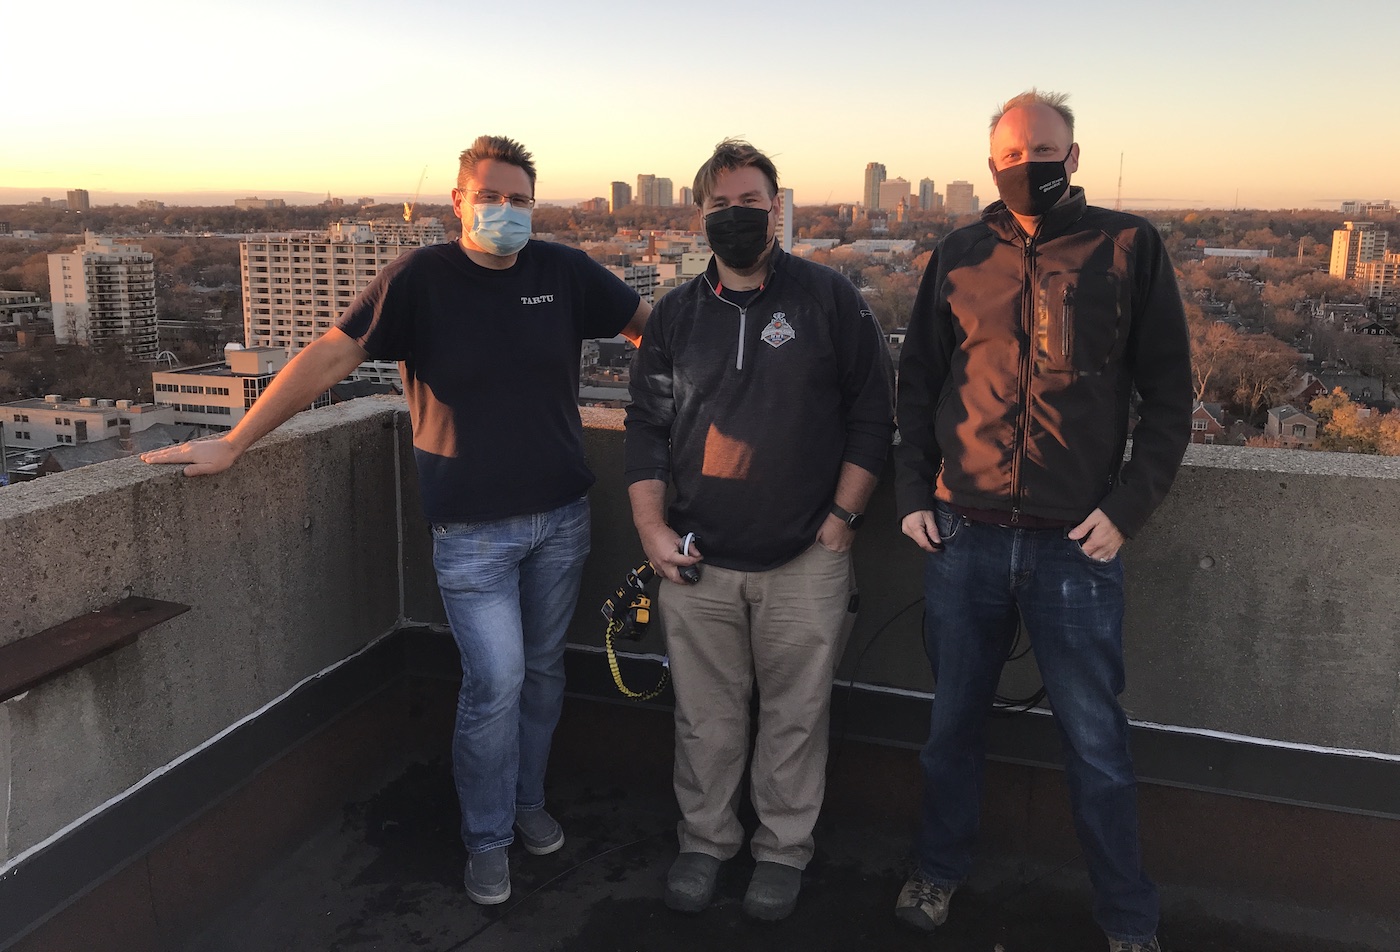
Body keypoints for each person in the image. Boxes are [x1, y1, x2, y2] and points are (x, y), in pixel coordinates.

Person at [143, 135, 649, 907]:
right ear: (458, 200)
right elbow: (330, 355)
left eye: (519, 199)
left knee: (544, 676)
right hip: (472, 529)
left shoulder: (562, 271)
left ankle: (528, 803)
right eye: (490, 195)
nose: (505, 211)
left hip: (562, 517)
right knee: (498, 682)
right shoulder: (419, 278)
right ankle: (486, 837)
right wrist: (237, 440)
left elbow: (656, 330)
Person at [891, 90, 1191, 952]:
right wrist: (914, 494)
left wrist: (1127, 510)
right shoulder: (957, 252)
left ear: (1075, 154)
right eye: (1015, 153)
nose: (1031, 165)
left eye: (1047, 149)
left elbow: (1171, 396)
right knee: (951, 729)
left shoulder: (1128, 247)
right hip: (964, 536)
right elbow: (917, 383)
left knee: (1097, 746)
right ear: (992, 163)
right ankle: (938, 871)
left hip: (1074, 546)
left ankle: (1128, 917)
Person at [624, 139, 894, 921]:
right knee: (704, 718)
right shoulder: (675, 313)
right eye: (721, 205)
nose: (736, 217)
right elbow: (645, 426)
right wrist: (649, 527)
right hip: (697, 558)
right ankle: (705, 842)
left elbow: (873, 415)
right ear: (698, 213)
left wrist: (842, 521)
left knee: (796, 716)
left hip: (805, 557)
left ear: (776, 208)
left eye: (751, 203)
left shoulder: (831, 300)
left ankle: (781, 850)